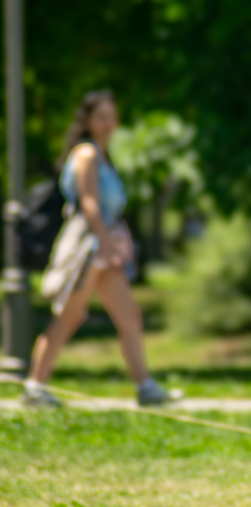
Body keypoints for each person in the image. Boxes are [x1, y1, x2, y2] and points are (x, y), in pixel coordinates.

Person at [23, 90, 180, 407]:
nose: (109, 123)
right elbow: (91, 206)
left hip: (103, 247)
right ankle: (35, 386)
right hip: (89, 246)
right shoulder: (87, 155)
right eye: (102, 117)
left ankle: (146, 387)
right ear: (88, 120)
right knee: (70, 315)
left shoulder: (102, 156)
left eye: (112, 116)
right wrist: (109, 248)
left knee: (129, 317)